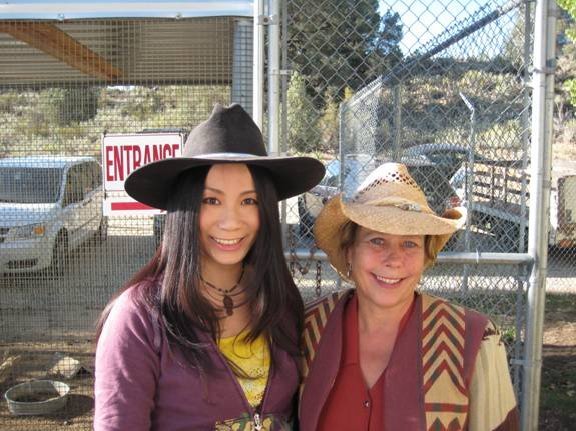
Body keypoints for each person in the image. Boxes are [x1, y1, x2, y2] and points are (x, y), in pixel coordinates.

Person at [94, 103, 325, 431]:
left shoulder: (279, 303)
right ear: (184, 206)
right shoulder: (138, 318)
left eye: (249, 201)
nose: (231, 222)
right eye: (211, 200)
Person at [299, 162, 519, 430]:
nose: (394, 259)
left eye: (410, 243)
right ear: (349, 252)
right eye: (377, 240)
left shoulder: (473, 340)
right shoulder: (308, 330)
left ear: (426, 256)